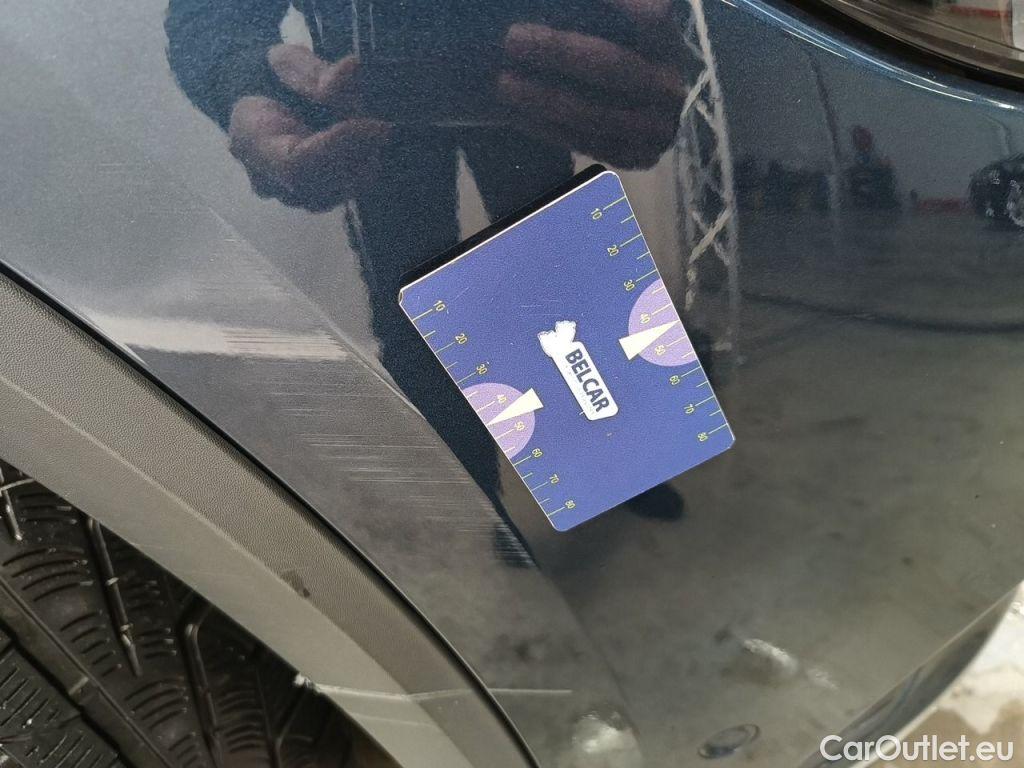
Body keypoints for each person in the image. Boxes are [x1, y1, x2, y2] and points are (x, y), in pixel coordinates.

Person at [165, 0, 687, 562]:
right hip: (408, 91)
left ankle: (614, 464)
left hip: (472, 76)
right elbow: (212, 12)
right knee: (425, 315)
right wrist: (241, 75)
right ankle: (498, 502)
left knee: (556, 278)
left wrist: (241, 74)